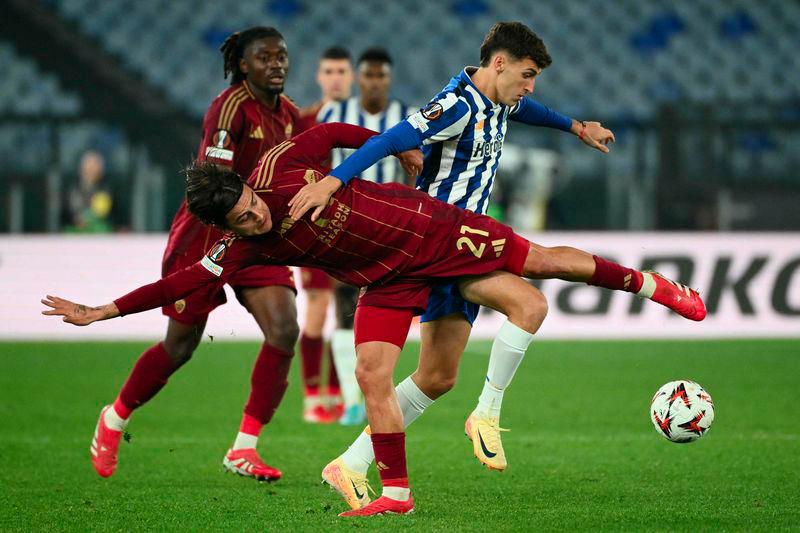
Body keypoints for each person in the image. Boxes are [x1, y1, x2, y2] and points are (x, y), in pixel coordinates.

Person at [42, 122, 706, 517]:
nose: (256, 217)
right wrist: (104, 309)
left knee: (542, 266)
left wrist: (401, 154)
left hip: (431, 233)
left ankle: (654, 286)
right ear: (225, 225)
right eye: (242, 220)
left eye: (251, 206)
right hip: (385, 279)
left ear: (249, 186)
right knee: (371, 372)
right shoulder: (240, 245)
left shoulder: (279, 168)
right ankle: (397, 492)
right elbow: (183, 279)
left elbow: (332, 136)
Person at [290, 21, 618, 503]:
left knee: (438, 377)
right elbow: (389, 139)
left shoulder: (503, 98)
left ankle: (350, 463)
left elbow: (531, 108)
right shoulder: (456, 104)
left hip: (468, 244)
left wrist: (575, 127)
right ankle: (485, 413)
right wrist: (332, 182)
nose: (530, 87)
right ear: (499, 63)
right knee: (527, 303)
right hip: (434, 244)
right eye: (527, 74)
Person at [83, 26, 306, 482]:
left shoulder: (289, 115)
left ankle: (244, 448)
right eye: (265, 57)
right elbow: (212, 184)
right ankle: (115, 417)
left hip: (256, 233)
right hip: (205, 234)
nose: (277, 64)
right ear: (243, 65)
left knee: (284, 330)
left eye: (281, 56)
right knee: (180, 346)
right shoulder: (229, 109)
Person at [313, 47, 411, 425]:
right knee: (343, 307)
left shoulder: (406, 117)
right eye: (368, 75)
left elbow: (415, 168)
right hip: (345, 223)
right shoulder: (333, 114)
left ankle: (377, 392)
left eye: (380, 76)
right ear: (359, 78)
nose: (374, 82)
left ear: (388, 79)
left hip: (391, 225)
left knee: (382, 308)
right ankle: (354, 402)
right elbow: (318, 164)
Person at [296, 46, 355, 424]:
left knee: (347, 313)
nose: (335, 77)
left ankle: (340, 392)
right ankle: (312, 395)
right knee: (318, 309)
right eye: (329, 71)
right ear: (319, 76)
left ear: (351, 77)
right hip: (314, 230)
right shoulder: (306, 121)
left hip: (353, 230)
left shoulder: (363, 120)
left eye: (341, 71)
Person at [65, 150, 114, 233]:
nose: (93, 169)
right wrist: (77, 220)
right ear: (82, 169)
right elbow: (69, 214)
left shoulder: (107, 190)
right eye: (90, 165)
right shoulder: (72, 189)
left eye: (96, 165)